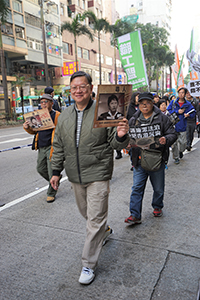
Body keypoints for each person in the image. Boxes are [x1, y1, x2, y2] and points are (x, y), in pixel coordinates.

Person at [50, 71, 129, 285]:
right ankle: (104, 231)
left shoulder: (103, 111)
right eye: (74, 87)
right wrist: (56, 171)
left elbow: (115, 143)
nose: (78, 90)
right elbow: (58, 146)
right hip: (75, 174)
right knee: (88, 215)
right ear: (70, 90)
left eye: (82, 86)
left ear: (91, 88)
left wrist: (121, 135)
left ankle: (88, 264)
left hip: (98, 172)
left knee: (94, 219)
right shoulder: (64, 115)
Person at [125, 92, 177, 225]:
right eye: (142, 103)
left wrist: (166, 139)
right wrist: (128, 144)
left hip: (157, 159)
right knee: (137, 187)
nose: (145, 105)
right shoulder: (133, 120)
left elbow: (172, 133)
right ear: (138, 105)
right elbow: (128, 137)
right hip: (139, 160)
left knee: (158, 188)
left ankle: (157, 206)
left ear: (152, 103)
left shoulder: (162, 118)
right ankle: (135, 214)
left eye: (147, 102)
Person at [23, 93, 61, 203]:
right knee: (40, 168)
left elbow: (62, 130)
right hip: (41, 146)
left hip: (52, 147)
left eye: (46, 102)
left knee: (50, 170)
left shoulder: (57, 115)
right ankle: (55, 180)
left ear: (51, 103)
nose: (43, 104)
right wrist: (27, 128)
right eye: (42, 102)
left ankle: (51, 193)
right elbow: (34, 131)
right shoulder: (37, 115)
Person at [167, 87, 196, 164]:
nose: (181, 94)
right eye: (179, 92)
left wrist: (188, 115)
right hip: (173, 126)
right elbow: (168, 111)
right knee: (174, 144)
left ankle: (180, 151)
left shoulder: (188, 104)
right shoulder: (173, 102)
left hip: (183, 126)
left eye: (183, 93)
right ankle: (176, 157)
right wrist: (177, 111)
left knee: (183, 143)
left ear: (185, 94)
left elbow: (193, 112)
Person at [98, 94, 124, 160]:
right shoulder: (103, 116)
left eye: (115, 103)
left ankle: (119, 153)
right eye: (112, 103)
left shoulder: (121, 116)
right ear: (108, 105)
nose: (114, 105)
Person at [126, 91, 140, 170]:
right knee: (132, 148)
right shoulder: (129, 107)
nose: (138, 98)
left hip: (140, 130)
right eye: (137, 96)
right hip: (131, 130)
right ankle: (133, 163)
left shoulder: (141, 106)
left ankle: (139, 161)